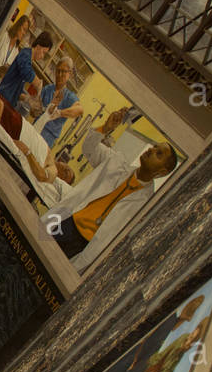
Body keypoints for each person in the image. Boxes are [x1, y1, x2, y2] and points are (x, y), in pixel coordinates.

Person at [41, 110, 178, 272]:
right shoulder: (116, 162)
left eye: (159, 153)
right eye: (154, 147)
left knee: (47, 275)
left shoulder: (147, 206)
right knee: (27, 248)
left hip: (83, 246)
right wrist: (105, 128)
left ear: (162, 172)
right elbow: (89, 148)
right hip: (66, 221)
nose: (151, 150)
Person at [0, 31, 54, 140]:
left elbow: (17, 91)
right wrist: (38, 83)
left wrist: (28, 99)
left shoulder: (29, 60)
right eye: (44, 53)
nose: (42, 56)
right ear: (39, 46)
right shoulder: (25, 54)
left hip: (8, 101)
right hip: (2, 98)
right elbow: (26, 71)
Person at [33, 56, 85, 147]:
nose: (60, 75)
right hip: (36, 127)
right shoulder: (48, 89)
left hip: (48, 137)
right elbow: (33, 112)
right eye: (58, 71)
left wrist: (59, 113)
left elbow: (80, 110)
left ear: (70, 74)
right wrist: (33, 105)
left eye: (64, 71)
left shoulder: (69, 96)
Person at [0, 13, 32, 83]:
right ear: (18, 25)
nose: (24, 33)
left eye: (26, 31)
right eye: (24, 29)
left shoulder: (16, 52)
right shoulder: (3, 36)